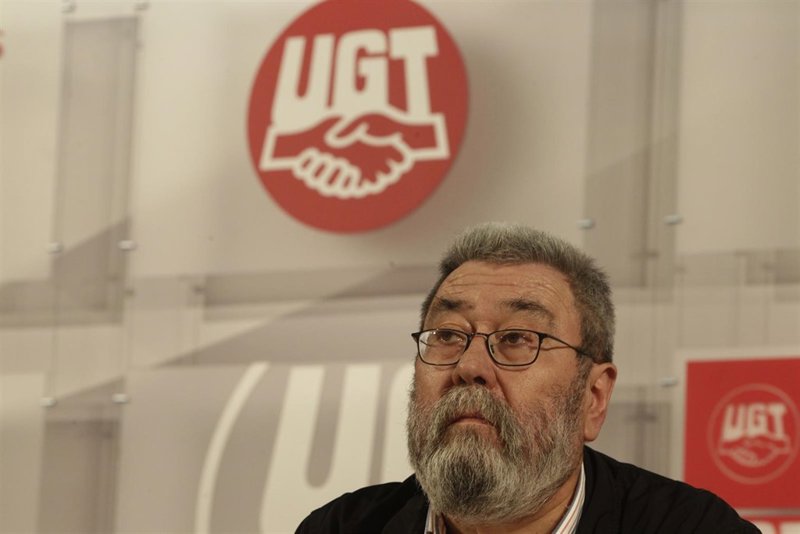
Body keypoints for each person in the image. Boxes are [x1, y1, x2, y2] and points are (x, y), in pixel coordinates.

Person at [296, 222, 758, 533]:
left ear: (593, 396)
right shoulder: (341, 527)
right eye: (448, 335)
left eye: (517, 338)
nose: (469, 367)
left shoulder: (693, 528)